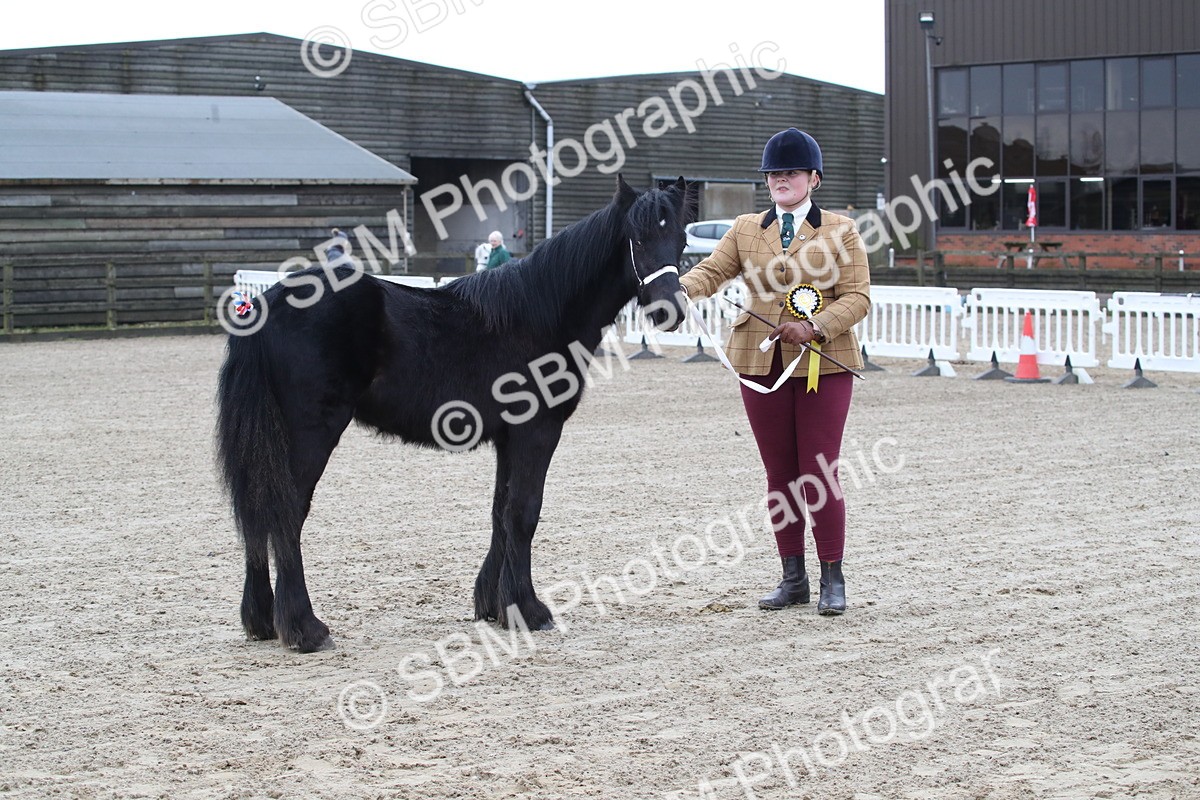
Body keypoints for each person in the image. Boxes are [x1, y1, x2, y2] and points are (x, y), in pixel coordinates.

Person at [677, 128, 871, 616]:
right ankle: (793, 578)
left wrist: (816, 326)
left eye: (790, 173)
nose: (781, 180)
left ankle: (832, 575)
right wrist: (677, 288)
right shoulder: (745, 228)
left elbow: (858, 297)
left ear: (813, 179)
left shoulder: (841, 231)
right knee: (780, 475)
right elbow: (712, 272)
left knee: (818, 472)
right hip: (759, 361)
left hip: (822, 365)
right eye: (774, 174)